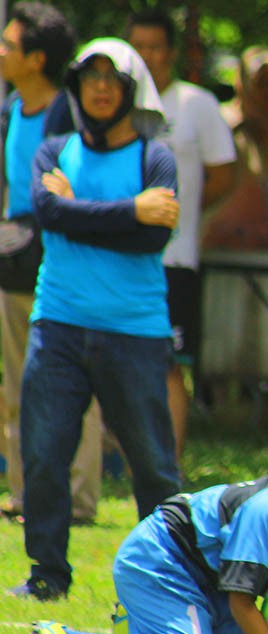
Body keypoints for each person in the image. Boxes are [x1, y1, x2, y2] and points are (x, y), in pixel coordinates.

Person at [8, 38, 182, 602]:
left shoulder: (155, 156)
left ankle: (166, 582)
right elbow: (47, 213)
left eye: (113, 78)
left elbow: (154, 238)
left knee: (153, 467)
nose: (101, 88)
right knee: (43, 455)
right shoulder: (54, 149)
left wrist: (76, 212)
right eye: (90, 78)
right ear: (78, 88)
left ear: (131, 91)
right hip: (56, 324)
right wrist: (131, 210)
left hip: (135, 332)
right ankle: (47, 576)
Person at [29, 403, 268, 634]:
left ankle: (139, 629)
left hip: (206, 578)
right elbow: (241, 599)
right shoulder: (266, 512)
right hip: (161, 560)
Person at [0, 1, 103, 526]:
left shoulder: (67, 114)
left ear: (37, 58)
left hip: (60, 265)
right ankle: (23, 493)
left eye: (9, 45)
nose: (0, 52)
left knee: (70, 382)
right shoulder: (10, 109)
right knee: (16, 381)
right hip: (13, 258)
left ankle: (80, 500)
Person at [126, 9, 237, 464]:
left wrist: (183, 213)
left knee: (171, 363)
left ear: (171, 51)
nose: (148, 56)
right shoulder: (114, 101)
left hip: (175, 257)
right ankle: (118, 456)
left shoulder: (196, 104)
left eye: (155, 46)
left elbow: (224, 174)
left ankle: (167, 463)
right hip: (119, 255)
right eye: (139, 47)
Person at [202, 46, 268, 252]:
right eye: (262, 83)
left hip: (259, 251)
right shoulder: (220, 123)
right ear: (241, 83)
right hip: (218, 250)